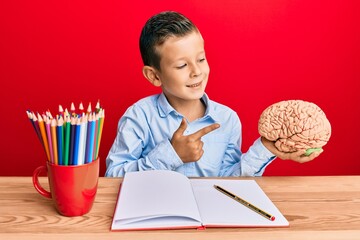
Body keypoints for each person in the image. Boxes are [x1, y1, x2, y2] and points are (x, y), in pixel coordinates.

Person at [105, 11, 321, 177]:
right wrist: (171, 154)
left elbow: (230, 181)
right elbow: (113, 176)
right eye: (181, 65)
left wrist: (267, 148)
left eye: (201, 59)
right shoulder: (139, 116)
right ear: (154, 76)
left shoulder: (227, 119)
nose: (196, 71)